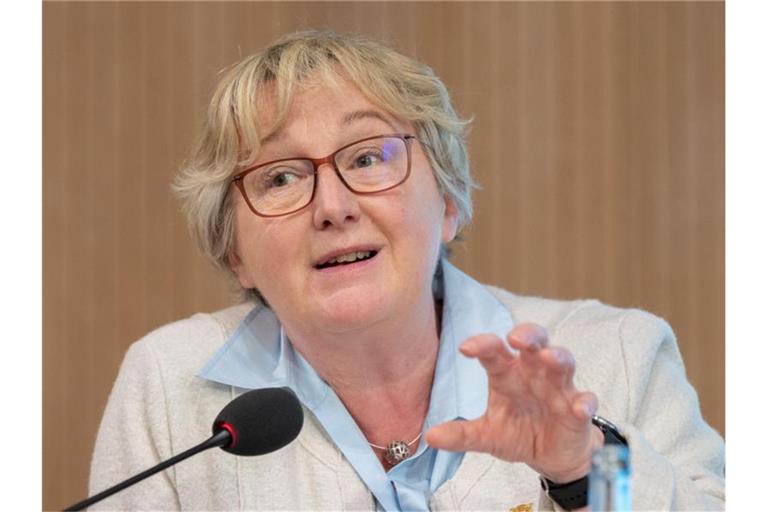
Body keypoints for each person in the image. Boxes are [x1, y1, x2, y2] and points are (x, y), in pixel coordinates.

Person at [89, 30, 725, 511]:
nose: (333, 208)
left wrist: (587, 469)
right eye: (280, 177)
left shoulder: (614, 353)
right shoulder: (170, 386)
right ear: (234, 250)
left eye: (367, 158)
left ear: (447, 202)